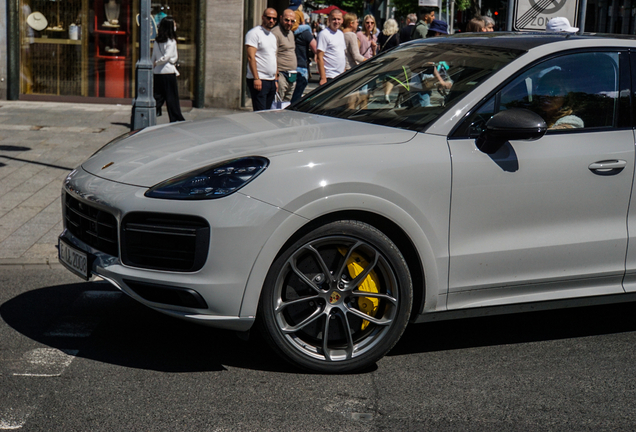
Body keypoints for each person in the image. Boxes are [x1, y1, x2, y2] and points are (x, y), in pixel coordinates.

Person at [152, 16, 185, 122]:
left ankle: (152, 113)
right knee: (172, 97)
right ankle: (176, 118)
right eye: (174, 24)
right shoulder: (171, 41)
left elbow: (153, 55)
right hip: (168, 71)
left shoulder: (157, 41)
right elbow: (167, 57)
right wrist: (158, 62)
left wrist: (154, 64)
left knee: (158, 96)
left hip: (157, 72)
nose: (176, 26)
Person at [245, 8, 278, 111]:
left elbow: (273, 57)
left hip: (271, 80)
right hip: (260, 79)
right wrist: (256, 78)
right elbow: (251, 57)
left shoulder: (272, 36)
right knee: (260, 112)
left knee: (267, 112)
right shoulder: (254, 33)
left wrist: (275, 79)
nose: (271, 20)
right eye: (269, 18)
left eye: (274, 19)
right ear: (263, 17)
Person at [291, 3, 317, 103]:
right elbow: (315, 48)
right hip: (301, 66)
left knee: (288, 97)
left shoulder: (287, 32)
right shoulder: (305, 32)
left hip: (289, 67)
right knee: (297, 98)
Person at [272, 9, 298, 102]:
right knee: (278, 104)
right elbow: (272, 56)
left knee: (286, 104)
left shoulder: (291, 33)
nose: (289, 23)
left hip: (292, 75)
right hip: (281, 74)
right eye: (287, 20)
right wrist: (276, 78)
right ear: (281, 18)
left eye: (292, 21)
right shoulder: (276, 33)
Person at [316, 9, 345, 85]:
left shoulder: (341, 34)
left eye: (338, 19)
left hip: (341, 75)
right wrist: (323, 78)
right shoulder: (324, 34)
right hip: (330, 76)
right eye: (334, 19)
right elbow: (319, 57)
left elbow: (342, 54)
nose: (336, 21)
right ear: (329, 20)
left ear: (342, 20)